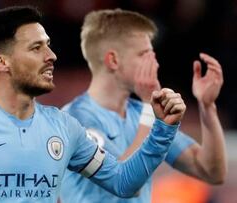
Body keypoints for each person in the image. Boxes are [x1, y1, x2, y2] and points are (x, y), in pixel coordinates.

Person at [0, 6, 187, 203]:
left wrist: (162, 127)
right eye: (37, 48)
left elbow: (123, 182)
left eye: (48, 45)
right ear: (2, 62)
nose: (51, 56)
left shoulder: (63, 127)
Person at [60, 8, 226, 203]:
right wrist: (150, 110)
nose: (155, 64)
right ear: (113, 60)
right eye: (144, 54)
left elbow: (210, 171)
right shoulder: (74, 119)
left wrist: (207, 106)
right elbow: (123, 183)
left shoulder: (143, 115)